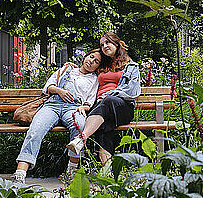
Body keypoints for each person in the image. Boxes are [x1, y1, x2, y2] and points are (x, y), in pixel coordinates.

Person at [11, 49, 101, 184]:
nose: (91, 61)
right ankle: (20, 172)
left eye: (96, 62)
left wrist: (84, 108)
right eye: (91, 57)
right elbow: (48, 87)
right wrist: (60, 91)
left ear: (97, 67)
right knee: (36, 129)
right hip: (52, 105)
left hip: (73, 107)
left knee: (81, 126)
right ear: (85, 56)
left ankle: (71, 170)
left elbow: (90, 100)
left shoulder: (94, 79)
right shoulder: (66, 69)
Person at [66, 32, 140, 164]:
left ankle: (81, 139)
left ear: (117, 44)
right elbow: (86, 71)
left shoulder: (130, 66)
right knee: (105, 125)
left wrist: (106, 96)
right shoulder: (101, 65)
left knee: (108, 101)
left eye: (108, 42)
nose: (104, 46)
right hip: (102, 108)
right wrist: (72, 67)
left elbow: (131, 91)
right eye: (102, 44)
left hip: (122, 107)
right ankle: (107, 170)